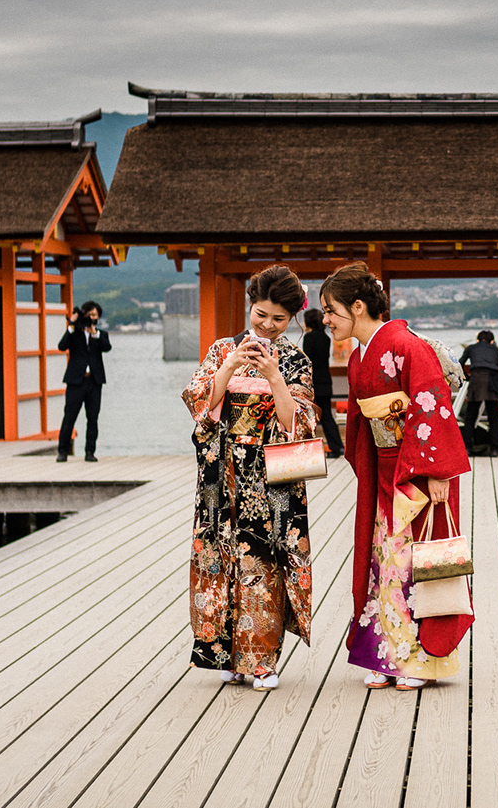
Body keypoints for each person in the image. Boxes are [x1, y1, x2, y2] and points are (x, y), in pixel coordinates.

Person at [323, 261, 473, 689]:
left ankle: (418, 659)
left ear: (357, 306)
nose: (326, 319)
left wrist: (438, 472)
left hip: (419, 471)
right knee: (383, 562)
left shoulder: (408, 346)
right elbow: (360, 423)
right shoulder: (360, 356)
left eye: (331, 310)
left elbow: (431, 406)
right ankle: (387, 653)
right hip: (385, 469)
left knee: (410, 562)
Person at [183, 265, 321, 691]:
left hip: (271, 479)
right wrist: (229, 366)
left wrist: (275, 375)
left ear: (292, 318)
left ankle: (261, 661)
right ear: (250, 307)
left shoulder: (296, 360)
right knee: (219, 558)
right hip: (222, 476)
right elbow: (200, 407)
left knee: (265, 565)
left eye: (279, 319)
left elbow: (299, 424)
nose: (267, 325)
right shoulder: (222, 349)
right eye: (261, 315)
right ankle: (226, 655)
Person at [56, 301, 112, 462]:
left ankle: (90, 452)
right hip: (76, 381)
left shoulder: (100, 334)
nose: (92, 318)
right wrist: (72, 326)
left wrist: (94, 333)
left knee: (93, 418)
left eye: (95, 315)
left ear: (98, 317)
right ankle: (62, 451)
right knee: (69, 416)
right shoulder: (74, 333)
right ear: (84, 315)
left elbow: (107, 347)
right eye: (89, 315)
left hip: (94, 382)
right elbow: (62, 346)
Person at [302, 309, 344, 457]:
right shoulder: (325, 338)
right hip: (325, 380)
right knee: (327, 416)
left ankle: (309, 449)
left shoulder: (309, 337)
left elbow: (307, 362)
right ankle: (337, 446)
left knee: (309, 416)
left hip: (314, 383)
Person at [458, 330, 498, 456]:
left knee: (470, 417)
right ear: (492, 341)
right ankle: (494, 449)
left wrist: (467, 377)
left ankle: (467, 447)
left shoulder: (471, 348)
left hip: (476, 380)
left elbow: (459, 364)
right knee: (494, 418)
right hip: (492, 380)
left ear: (477, 340)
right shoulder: (496, 350)